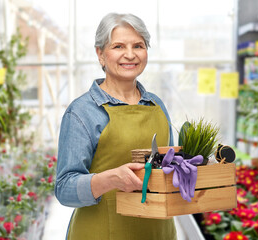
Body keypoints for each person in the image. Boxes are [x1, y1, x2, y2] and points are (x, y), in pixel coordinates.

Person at [55, 12, 176, 240]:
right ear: (100, 54)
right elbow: (64, 189)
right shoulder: (82, 111)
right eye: (118, 46)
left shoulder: (157, 105)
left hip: (158, 232)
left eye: (138, 45)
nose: (130, 55)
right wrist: (109, 179)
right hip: (101, 232)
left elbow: (170, 169)